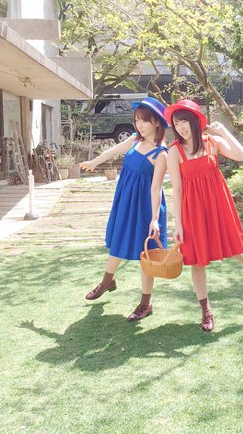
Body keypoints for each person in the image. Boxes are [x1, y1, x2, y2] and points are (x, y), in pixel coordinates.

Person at [155, 99, 243, 332]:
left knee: (240, 251)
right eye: (176, 123)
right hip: (192, 211)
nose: (181, 127)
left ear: (195, 120)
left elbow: (241, 155)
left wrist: (224, 131)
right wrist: (178, 224)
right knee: (197, 262)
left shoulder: (212, 142)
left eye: (184, 121)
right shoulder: (174, 151)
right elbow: (177, 189)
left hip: (219, 206)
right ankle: (206, 311)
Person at [80, 96, 168, 322]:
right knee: (119, 239)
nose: (139, 125)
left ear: (156, 122)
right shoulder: (135, 140)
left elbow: (156, 188)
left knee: (146, 254)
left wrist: (154, 218)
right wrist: (93, 163)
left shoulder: (161, 153)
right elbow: (113, 151)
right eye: (137, 120)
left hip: (146, 207)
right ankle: (107, 281)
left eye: (144, 120)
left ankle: (145, 304)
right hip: (126, 200)